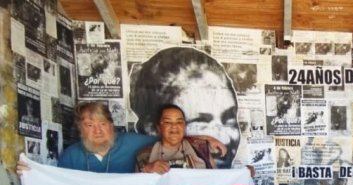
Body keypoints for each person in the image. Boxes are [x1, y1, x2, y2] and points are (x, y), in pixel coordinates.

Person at [17, 101, 225, 174]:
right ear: (80, 128)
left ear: (111, 125)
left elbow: (170, 136)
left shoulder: (133, 142)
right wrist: (32, 173)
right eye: (90, 125)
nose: (98, 131)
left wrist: (203, 138)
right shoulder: (70, 157)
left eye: (102, 124)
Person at [130, 47, 240, 169]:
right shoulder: (145, 156)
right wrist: (147, 170)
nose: (224, 139)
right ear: (153, 128)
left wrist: (244, 174)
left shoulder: (201, 150)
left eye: (230, 122)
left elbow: (215, 181)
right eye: (201, 123)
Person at [137, 104, 215, 173]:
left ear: (184, 127)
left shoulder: (201, 148)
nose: (174, 126)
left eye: (179, 122)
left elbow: (215, 179)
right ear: (159, 128)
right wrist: (148, 169)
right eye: (167, 122)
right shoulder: (145, 154)